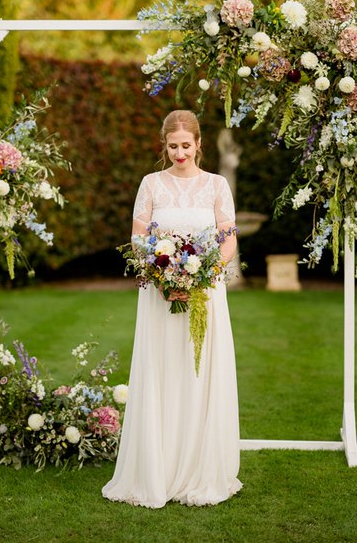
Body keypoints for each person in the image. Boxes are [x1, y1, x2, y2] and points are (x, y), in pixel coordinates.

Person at [102, 109, 242, 508]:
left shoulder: (216, 186)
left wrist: (202, 275)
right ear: (164, 146)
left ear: (199, 144)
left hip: (205, 292)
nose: (180, 153)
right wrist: (163, 278)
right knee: (163, 369)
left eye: (186, 145)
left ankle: (199, 467)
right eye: (173, 146)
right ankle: (157, 468)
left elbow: (228, 238)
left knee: (199, 369)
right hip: (159, 294)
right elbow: (138, 238)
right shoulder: (151, 185)